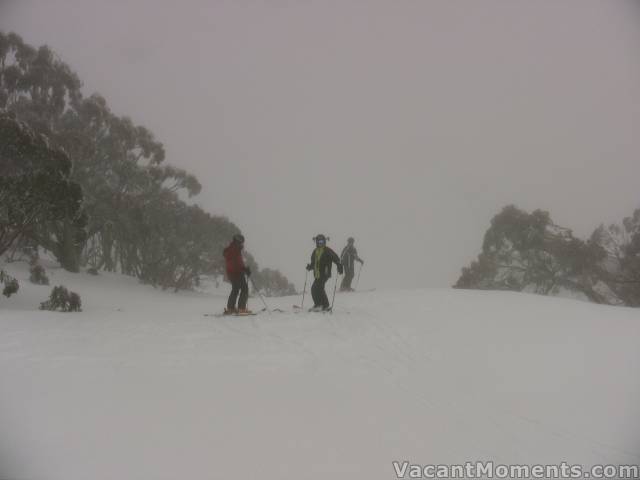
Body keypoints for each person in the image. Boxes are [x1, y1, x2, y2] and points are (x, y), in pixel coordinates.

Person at [306, 234, 343, 311]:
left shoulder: (327, 250)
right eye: (319, 241)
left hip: (325, 273)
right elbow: (314, 263)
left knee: (316, 288)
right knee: (318, 288)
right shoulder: (315, 251)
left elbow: (335, 258)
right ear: (316, 242)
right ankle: (324, 305)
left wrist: (339, 265)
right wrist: (310, 267)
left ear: (325, 241)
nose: (320, 243)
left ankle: (319, 304)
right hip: (317, 274)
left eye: (322, 241)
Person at [223, 234, 252, 314]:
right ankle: (241, 308)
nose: (242, 244)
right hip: (235, 273)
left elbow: (238, 263)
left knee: (236, 289)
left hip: (235, 273)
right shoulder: (234, 250)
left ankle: (231, 308)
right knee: (244, 289)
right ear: (237, 241)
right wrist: (243, 269)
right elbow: (234, 263)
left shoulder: (235, 249)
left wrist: (244, 268)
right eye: (241, 242)